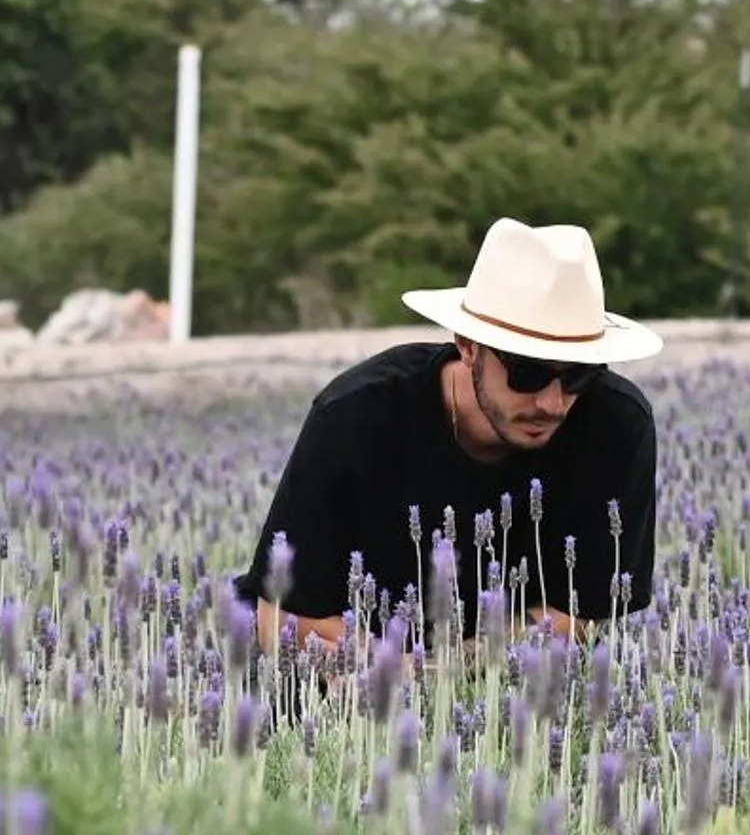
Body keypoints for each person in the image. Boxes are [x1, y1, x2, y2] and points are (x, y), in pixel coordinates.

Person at [230, 217, 663, 663]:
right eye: (528, 373)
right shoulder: (358, 414)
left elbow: (583, 612)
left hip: (518, 677)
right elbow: (280, 619)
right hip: (340, 683)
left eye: (580, 375)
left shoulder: (617, 423)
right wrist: (388, 674)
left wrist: (448, 672)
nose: (553, 403)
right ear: (468, 346)